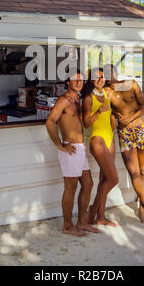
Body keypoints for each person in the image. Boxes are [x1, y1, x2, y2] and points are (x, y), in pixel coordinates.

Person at [46, 70, 100, 236]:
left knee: (88, 184)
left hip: (80, 149)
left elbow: (83, 123)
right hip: (70, 149)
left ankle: (82, 222)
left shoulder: (77, 99)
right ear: (67, 82)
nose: (78, 82)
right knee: (71, 187)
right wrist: (60, 145)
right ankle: (67, 226)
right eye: (74, 80)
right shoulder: (63, 100)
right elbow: (50, 122)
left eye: (81, 80)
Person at [104, 64, 144, 225]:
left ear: (115, 72)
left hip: (141, 130)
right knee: (134, 174)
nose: (109, 75)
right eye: (106, 73)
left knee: (143, 172)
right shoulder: (107, 92)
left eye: (110, 72)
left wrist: (130, 118)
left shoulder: (132, 84)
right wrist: (115, 115)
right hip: (125, 134)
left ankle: (141, 209)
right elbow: (106, 110)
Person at [82, 68, 119, 227]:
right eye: (97, 77)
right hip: (97, 139)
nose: (100, 79)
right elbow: (86, 122)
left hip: (110, 137)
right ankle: (93, 208)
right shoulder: (88, 99)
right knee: (114, 179)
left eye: (103, 77)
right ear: (92, 80)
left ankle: (100, 217)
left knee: (104, 179)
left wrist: (113, 122)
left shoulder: (107, 93)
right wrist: (98, 111)